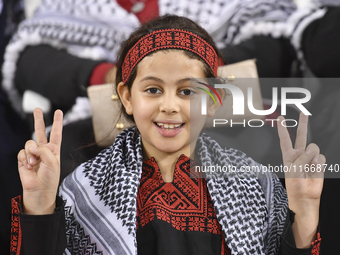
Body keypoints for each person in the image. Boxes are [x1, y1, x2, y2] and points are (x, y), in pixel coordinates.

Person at [11, 15, 324, 255]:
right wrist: (38, 205)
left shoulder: (257, 185)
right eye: (153, 89)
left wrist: (305, 212)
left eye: (187, 90)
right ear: (127, 96)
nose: (170, 106)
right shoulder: (85, 189)